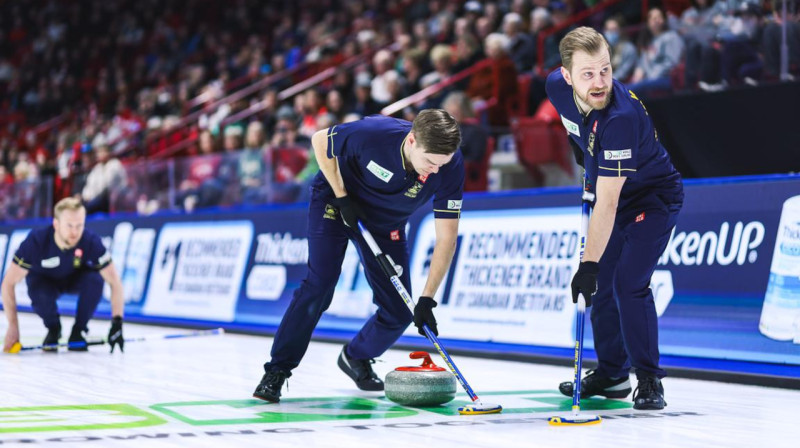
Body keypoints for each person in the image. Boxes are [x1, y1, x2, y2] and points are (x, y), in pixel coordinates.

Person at [253, 109, 464, 402]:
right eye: (430, 162)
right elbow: (319, 141)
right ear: (413, 140)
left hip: (384, 224)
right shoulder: (375, 134)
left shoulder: (449, 166)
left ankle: (356, 356)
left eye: (444, 163)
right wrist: (342, 197)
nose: (436, 171)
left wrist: (428, 299)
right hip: (337, 205)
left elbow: (447, 237)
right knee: (320, 284)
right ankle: (277, 371)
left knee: (399, 311)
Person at [545, 27, 683, 410]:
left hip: (651, 198)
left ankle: (649, 378)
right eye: (588, 74)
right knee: (602, 287)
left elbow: (606, 205)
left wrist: (587, 264)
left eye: (605, 70)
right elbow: (574, 124)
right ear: (567, 75)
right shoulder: (555, 87)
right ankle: (612, 374)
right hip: (616, 195)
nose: (600, 82)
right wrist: (584, 152)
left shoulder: (620, 118)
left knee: (626, 283)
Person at [2, 198, 125, 353]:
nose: (75, 232)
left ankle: (78, 331)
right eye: (69, 225)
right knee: (38, 292)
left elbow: (115, 281)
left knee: (95, 278)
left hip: (74, 279)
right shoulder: (36, 242)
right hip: (43, 282)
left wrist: (117, 323)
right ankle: (54, 328)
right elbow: (8, 283)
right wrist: (13, 327)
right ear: (56, 224)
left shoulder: (91, 241)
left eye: (79, 225)